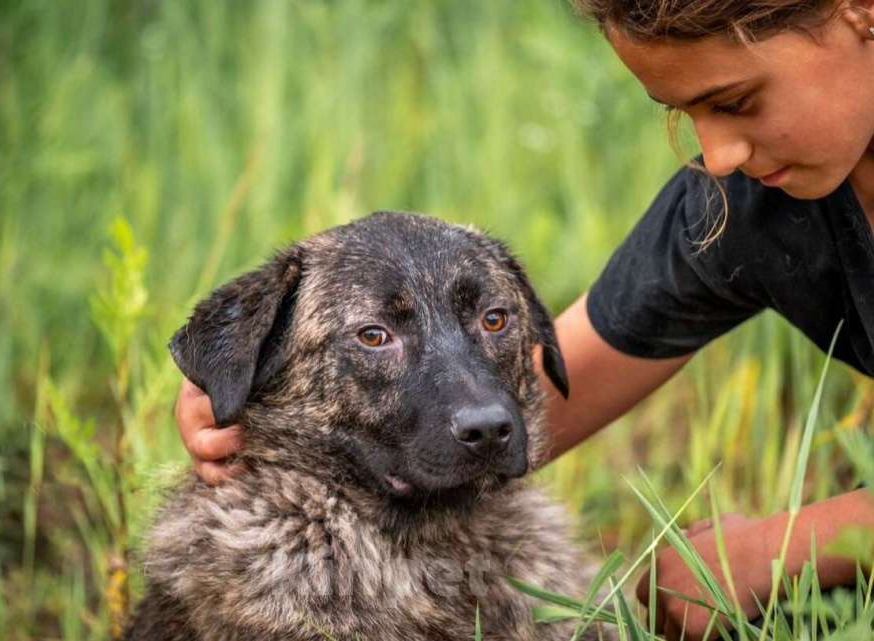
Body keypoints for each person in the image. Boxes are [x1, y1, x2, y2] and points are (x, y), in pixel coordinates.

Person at [174, 1, 874, 638]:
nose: (717, 154)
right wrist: (249, 379)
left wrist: (786, 547)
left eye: (738, 100)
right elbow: (543, 388)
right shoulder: (737, 204)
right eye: (684, 113)